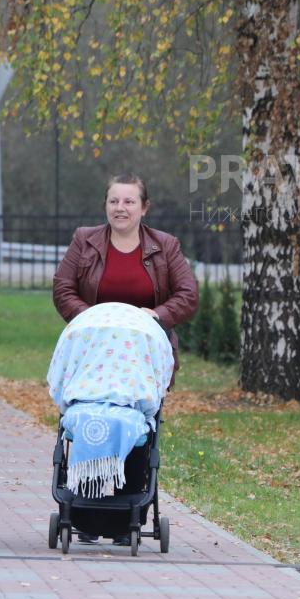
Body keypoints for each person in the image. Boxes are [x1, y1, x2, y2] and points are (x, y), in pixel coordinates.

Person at [52, 173, 197, 544]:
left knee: (136, 428)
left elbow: (187, 295)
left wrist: (157, 315)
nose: (121, 208)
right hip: (93, 357)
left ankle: (127, 516)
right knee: (89, 419)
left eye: (129, 201)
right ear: (105, 204)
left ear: (144, 207)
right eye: (114, 201)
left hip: (142, 359)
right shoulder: (85, 241)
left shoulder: (165, 246)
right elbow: (63, 288)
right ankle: (84, 512)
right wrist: (89, 317)